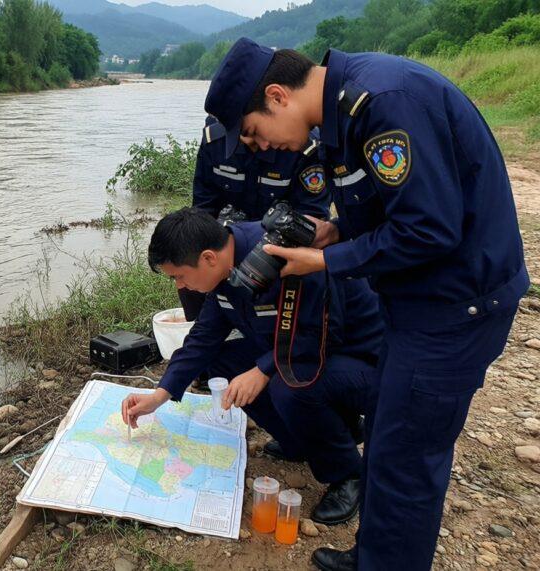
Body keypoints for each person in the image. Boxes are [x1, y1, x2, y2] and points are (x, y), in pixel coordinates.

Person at [202, 38, 528, 571]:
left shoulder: (382, 103)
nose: (261, 147)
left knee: (406, 456)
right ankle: (375, 555)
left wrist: (325, 261)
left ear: (278, 96)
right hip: (416, 301)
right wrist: (334, 232)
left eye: (256, 132)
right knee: (386, 434)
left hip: (454, 307)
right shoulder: (343, 115)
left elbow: (429, 228)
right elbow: (391, 210)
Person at [122, 207, 383, 526]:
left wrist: (262, 370)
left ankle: (348, 474)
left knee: (287, 386)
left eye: (179, 276)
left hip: (361, 359)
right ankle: (305, 439)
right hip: (301, 350)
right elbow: (204, 337)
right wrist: (160, 395)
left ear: (207, 258)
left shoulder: (283, 253)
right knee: (222, 361)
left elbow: (325, 332)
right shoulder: (224, 268)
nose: (180, 286)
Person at [178, 115, 331, 321]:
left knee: (273, 300)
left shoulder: (301, 143)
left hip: (283, 244)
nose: (255, 141)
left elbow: (313, 218)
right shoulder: (215, 140)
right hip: (232, 239)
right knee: (188, 264)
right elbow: (203, 210)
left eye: (254, 130)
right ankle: (203, 325)